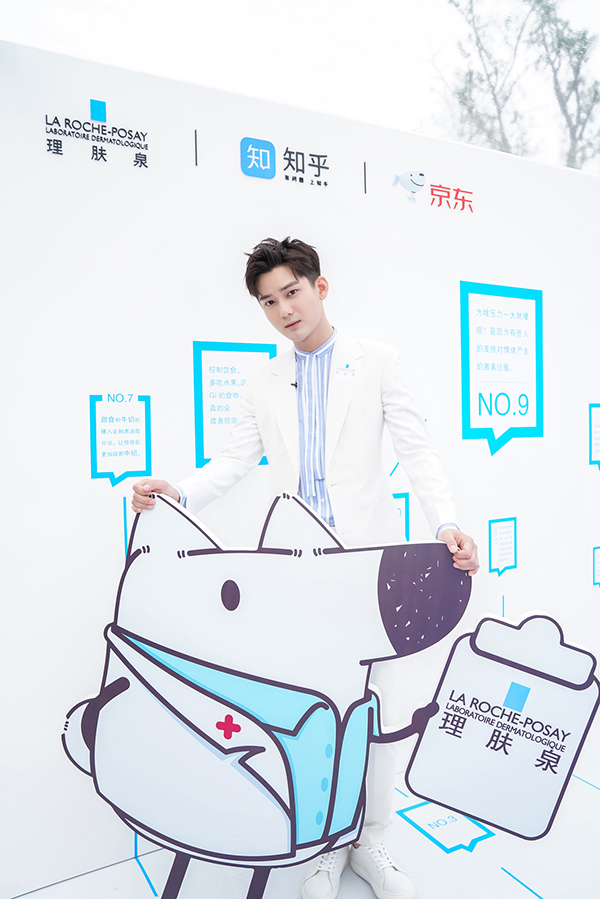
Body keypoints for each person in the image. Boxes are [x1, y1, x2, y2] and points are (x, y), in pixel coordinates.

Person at [132, 237, 479, 899]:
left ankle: (372, 841)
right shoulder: (262, 381)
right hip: (297, 573)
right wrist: (179, 490)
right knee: (318, 712)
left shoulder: (378, 362)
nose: (283, 310)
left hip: (369, 568)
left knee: (376, 708)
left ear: (320, 288)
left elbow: (419, 453)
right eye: (268, 302)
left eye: (291, 292)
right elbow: (234, 461)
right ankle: (326, 846)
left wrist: (445, 523)